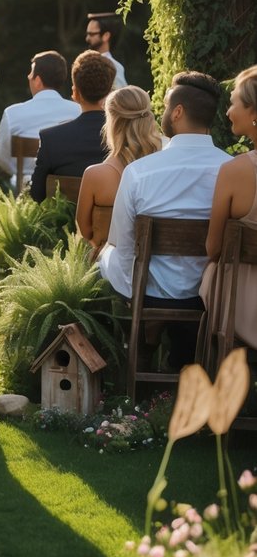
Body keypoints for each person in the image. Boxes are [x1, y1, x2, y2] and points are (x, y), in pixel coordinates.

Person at [99, 71, 231, 368]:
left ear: (179, 112)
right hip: (210, 296)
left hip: (151, 295)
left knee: (105, 256)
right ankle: (181, 355)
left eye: (166, 106)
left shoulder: (139, 172)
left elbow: (121, 242)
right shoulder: (232, 171)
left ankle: (137, 349)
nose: (162, 113)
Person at [200, 65, 257, 348]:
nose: (227, 112)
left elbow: (213, 248)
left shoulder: (235, 171)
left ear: (254, 113)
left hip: (241, 306)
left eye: (233, 102)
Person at [76, 85, 162, 242]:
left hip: (110, 262)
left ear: (112, 122)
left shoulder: (95, 175)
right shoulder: (167, 165)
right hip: (161, 263)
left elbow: (86, 231)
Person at [29, 50, 116, 201]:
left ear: (75, 93)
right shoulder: (126, 139)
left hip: (63, 223)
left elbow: (36, 195)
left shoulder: (51, 139)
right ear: (110, 92)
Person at [0, 50, 80, 186]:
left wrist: (20, 174)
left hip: (26, 187)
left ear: (38, 81)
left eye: (31, 73)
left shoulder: (12, 114)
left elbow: (1, 159)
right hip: (65, 188)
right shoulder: (78, 111)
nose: (29, 77)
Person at [85, 12, 127, 90]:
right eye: (87, 34)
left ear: (106, 36)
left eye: (91, 34)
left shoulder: (114, 67)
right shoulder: (83, 63)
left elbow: (120, 98)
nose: (87, 38)